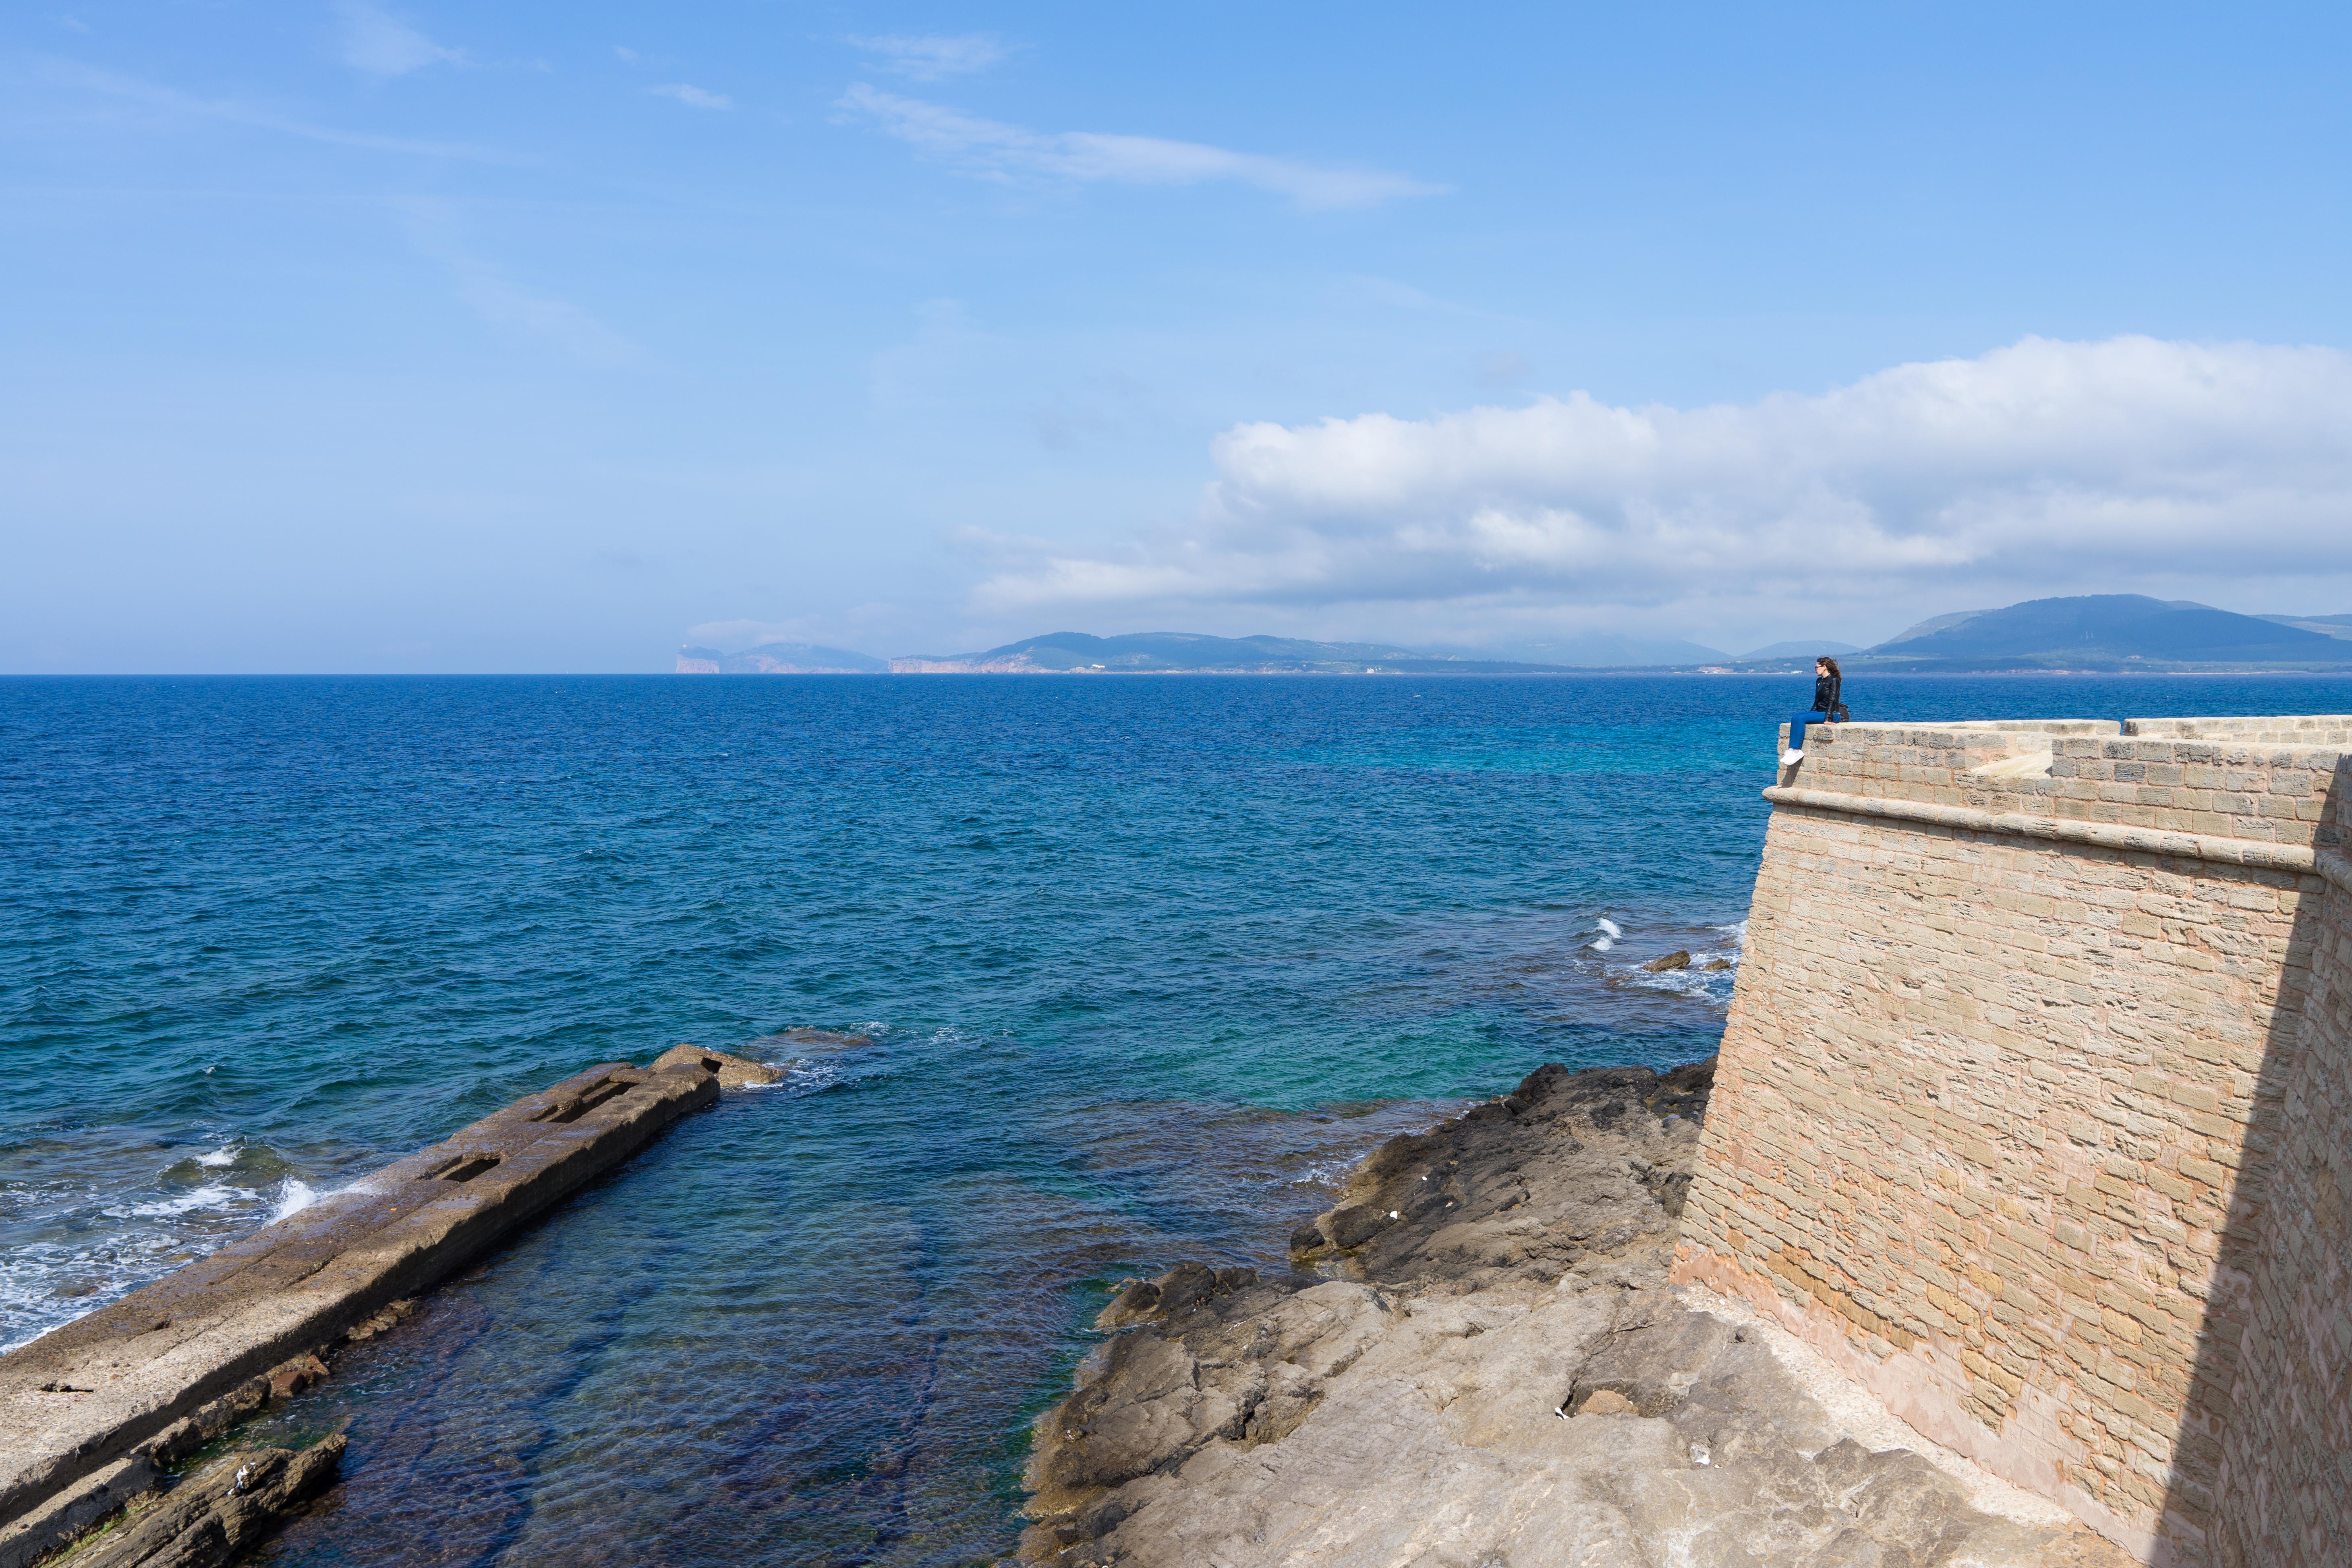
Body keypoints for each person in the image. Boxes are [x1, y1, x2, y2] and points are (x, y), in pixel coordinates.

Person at [1780, 657, 1842, 767]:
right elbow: (1817, 701)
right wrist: (1810, 715)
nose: (1815, 669)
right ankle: (1791, 749)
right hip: (1820, 712)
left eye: (1817, 667)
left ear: (1824, 668)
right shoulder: (1819, 681)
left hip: (1833, 714)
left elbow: (1832, 700)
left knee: (1801, 719)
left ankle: (1797, 751)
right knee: (1796, 717)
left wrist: (1828, 719)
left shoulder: (1834, 680)